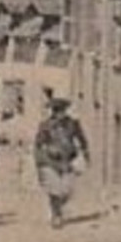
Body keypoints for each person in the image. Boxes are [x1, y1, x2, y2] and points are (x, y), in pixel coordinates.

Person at [33, 97, 90, 228]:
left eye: (62, 111)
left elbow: (82, 140)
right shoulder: (46, 126)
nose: (59, 114)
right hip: (50, 162)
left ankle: (59, 206)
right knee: (54, 190)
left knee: (66, 191)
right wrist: (40, 161)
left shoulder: (73, 124)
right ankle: (56, 215)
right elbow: (39, 144)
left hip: (68, 161)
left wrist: (86, 155)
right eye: (56, 111)